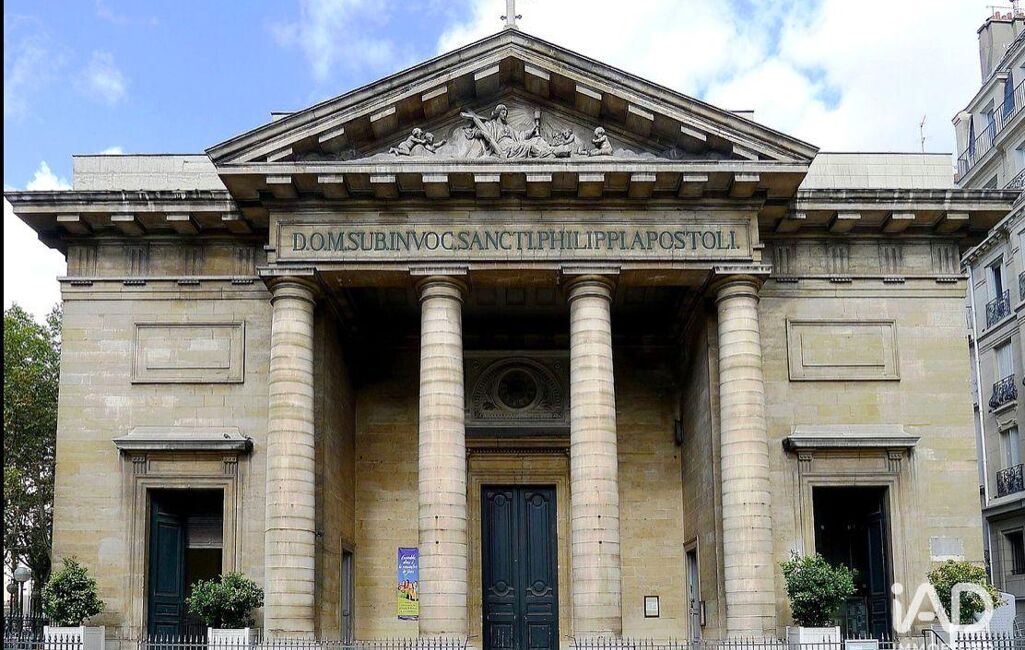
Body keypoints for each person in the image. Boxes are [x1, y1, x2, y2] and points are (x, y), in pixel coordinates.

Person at [463, 104, 554, 158]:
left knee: (535, 140)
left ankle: (549, 151)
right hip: (503, 146)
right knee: (526, 146)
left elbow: (519, 136)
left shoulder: (507, 127)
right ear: (498, 113)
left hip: (512, 143)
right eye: (503, 113)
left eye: (506, 113)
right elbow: (476, 132)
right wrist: (482, 133)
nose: (505, 115)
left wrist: (531, 131)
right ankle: (544, 154)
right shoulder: (490, 125)